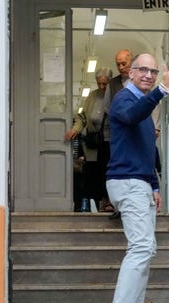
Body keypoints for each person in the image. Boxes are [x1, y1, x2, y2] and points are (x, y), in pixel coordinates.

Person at [106, 53, 169, 303]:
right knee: (140, 248)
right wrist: (162, 90)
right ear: (130, 73)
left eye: (153, 71)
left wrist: (154, 185)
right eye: (143, 70)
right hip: (127, 181)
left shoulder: (143, 104)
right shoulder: (124, 99)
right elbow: (130, 116)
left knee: (145, 249)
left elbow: (147, 150)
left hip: (140, 181)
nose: (148, 75)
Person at [65, 67, 113, 211]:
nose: (102, 87)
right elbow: (83, 118)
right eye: (99, 83)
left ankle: (109, 202)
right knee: (94, 173)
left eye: (105, 84)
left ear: (110, 82)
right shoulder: (91, 97)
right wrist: (74, 130)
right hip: (94, 142)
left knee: (109, 171)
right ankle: (100, 203)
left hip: (111, 141)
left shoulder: (116, 96)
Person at [103, 49, 133, 218]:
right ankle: (118, 207)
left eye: (124, 63)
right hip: (118, 133)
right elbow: (107, 107)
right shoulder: (112, 84)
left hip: (136, 133)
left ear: (132, 61)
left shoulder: (140, 79)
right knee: (118, 168)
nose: (121, 67)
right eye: (118, 64)